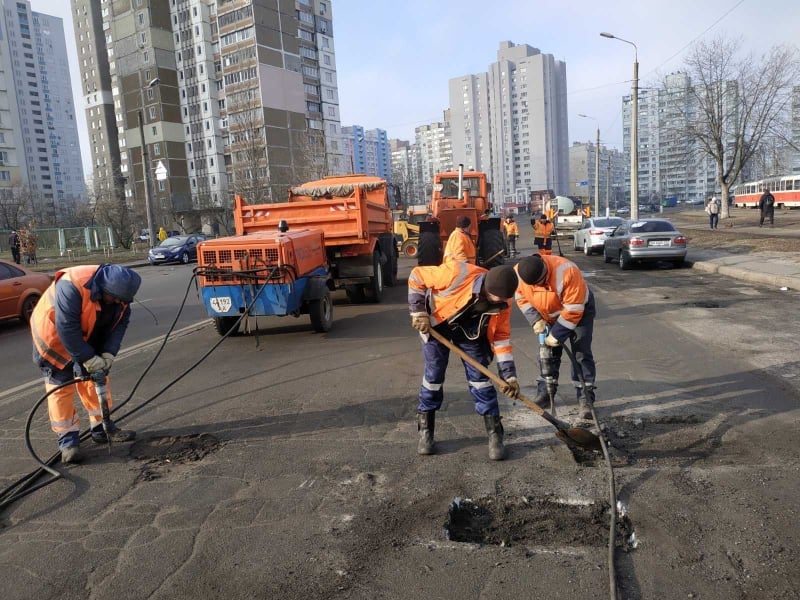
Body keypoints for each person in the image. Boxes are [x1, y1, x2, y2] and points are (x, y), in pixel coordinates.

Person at [30, 264, 142, 464]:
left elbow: (119, 325)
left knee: (96, 380)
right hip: (54, 338)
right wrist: (87, 357)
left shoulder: (120, 295)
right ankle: (68, 442)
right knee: (60, 389)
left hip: (86, 335)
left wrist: (108, 353)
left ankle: (102, 427)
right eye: (114, 298)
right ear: (103, 289)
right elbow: (66, 327)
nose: (117, 302)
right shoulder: (71, 286)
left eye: (121, 300)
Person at [408, 262, 520, 460]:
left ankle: (495, 433)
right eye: (495, 299)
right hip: (437, 323)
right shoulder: (455, 273)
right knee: (433, 376)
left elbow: (501, 337)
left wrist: (509, 376)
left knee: (480, 378)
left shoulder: (504, 301)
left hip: (471, 330)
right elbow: (417, 276)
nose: (499, 303)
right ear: (486, 288)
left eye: (503, 300)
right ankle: (426, 431)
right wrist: (418, 312)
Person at [514, 254, 597, 420]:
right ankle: (545, 391)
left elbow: (574, 309)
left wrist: (557, 334)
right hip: (547, 315)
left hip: (579, 311)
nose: (537, 286)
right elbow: (521, 297)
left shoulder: (567, 271)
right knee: (547, 354)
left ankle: (585, 397)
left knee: (580, 353)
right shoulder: (519, 273)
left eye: (540, 283)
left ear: (545, 272)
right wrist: (535, 319)